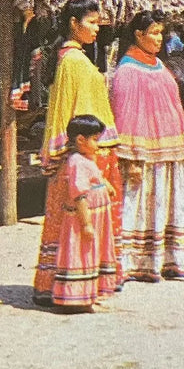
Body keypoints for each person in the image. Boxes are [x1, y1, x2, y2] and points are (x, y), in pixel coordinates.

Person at [32, 0, 122, 306]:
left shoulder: (76, 59)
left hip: (91, 148)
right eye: (92, 22)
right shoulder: (72, 61)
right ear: (74, 23)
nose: (97, 28)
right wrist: (76, 152)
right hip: (86, 152)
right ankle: (72, 285)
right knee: (82, 221)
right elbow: (65, 110)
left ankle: (79, 283)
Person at [109, 10, 184, 282]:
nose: (160, 39)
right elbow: (124, 116)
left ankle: (169, 259)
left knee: (168, 203)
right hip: (144, 155)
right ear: (138, 34)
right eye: (154, 33)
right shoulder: (127, 70)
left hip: (169, 152)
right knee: (142, 203)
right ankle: (138, 263)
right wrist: (131, 158)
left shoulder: (158, 65)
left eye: (162, 33)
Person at [49, 114, 121, 311]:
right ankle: (78, 298)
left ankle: (90, 293)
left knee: (93, 252)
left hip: (97, 216)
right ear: (81, 139)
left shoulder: (86, 159)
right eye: (95, 140)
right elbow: (79, 194)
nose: (98, 144)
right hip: (85, 217)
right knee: (83, 252)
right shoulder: (76, 161)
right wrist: (86, 223)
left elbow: (95, 176)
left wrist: (106, 185)